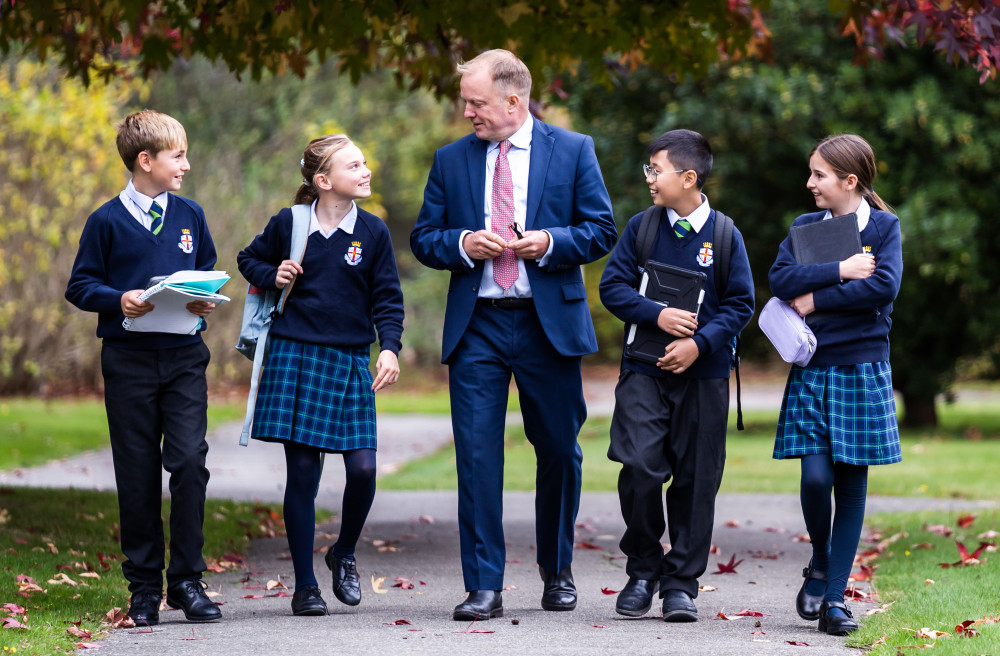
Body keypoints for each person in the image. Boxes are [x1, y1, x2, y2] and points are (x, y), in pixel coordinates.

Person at [409, 49, 617, 620]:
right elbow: (425, 238)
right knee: (475, 456)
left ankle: (558, 569)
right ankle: (484, 586)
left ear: (512, 100)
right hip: (476, 323)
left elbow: (601, 231)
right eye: (466, 103)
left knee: (558, 450)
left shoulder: (574, 150)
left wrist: (549, 243)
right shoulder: (451, 159)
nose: (468, 112)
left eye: (476, 102)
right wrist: (460, 245)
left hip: (546, 323)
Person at [65, 110, 222, 626]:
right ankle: (143, 589)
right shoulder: (105, 221)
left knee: (189, 462)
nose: (187, 165)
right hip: (128, 362)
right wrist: (120, 299)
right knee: (136, 473)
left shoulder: (191, 215)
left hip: (183, 360)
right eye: (178, 156)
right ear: (145, 160)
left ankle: (187, 582)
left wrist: (202, 301)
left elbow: (206, 275)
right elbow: (81, 286)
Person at [237, 134, 404, 617]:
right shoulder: (291, 223)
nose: (366, 170)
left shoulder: (372, 233)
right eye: (355, 165)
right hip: (295, 357)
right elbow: (250, 259)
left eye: (365, 161)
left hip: (350, 361)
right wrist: (274, 274)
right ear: (323, 180)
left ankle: (343, 552)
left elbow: (388, 299)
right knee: (304, 475)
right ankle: (305, 586)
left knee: (364, 470)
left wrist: (389, 348)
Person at [599, 129, 755, 622]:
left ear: (689, 177)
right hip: (644, 372)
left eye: (656, 169)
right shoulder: (642, 228)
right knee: (640, 465)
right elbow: (612, 287)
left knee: (696, 479)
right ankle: (643, 569)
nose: (649, 178)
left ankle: (680, 584)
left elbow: (740, 304)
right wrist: (656, 314)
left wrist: (698, 344)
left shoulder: (726, 235)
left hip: (704, 376)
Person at [769, 134, 902, 636]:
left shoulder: (884, 228)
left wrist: (816, 299)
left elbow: (884, 288)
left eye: (819, 175)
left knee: (850, 487)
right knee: (815, 479)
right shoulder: (806, 227)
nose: (810, 184)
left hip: (862, 369)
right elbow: (782, 280)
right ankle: (820, 561)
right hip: (813, 368)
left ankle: (834, 600)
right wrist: (841, 272)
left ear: (850, 181)